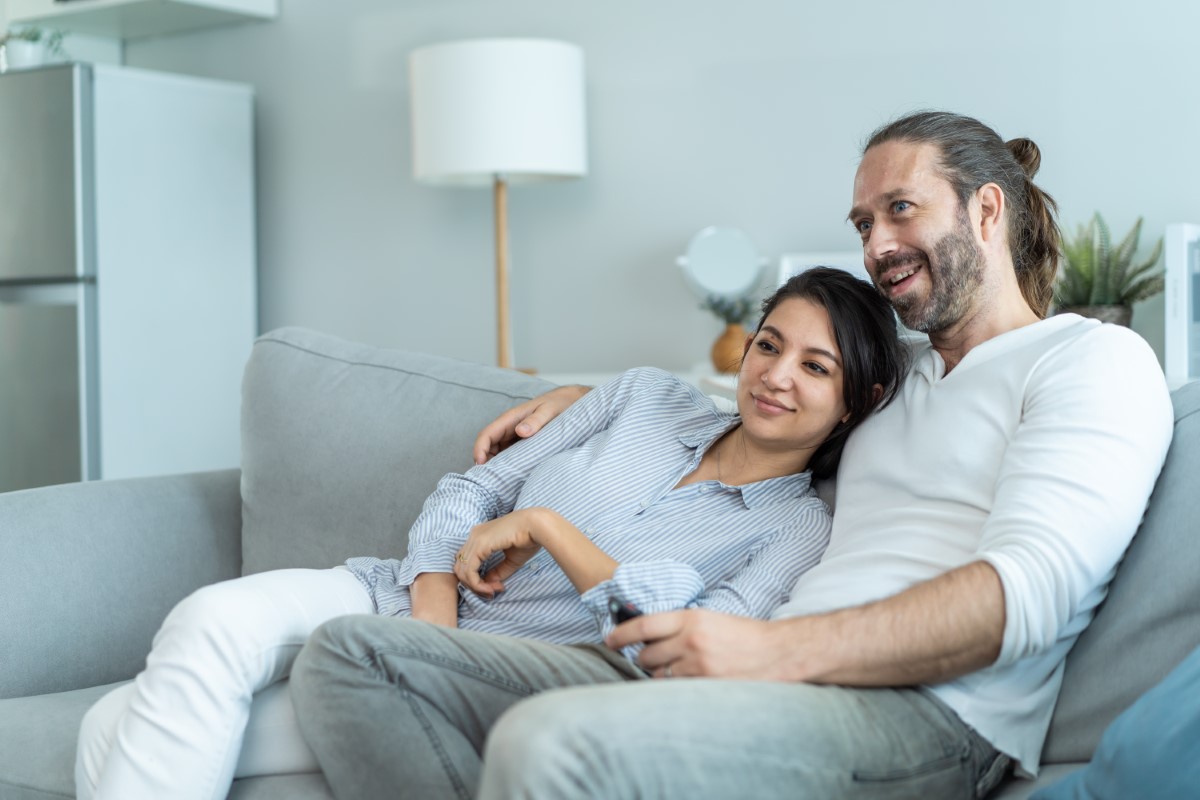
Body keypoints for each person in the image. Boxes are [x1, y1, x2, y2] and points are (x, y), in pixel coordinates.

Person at [289, 110, 1175, 800]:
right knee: (354, 655)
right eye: (863, 222)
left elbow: (1025, 595)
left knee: (551, 739)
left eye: (900, 210)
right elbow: (770, 401)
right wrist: (588, 400)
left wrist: (768, 653)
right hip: (745, 674)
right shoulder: (900, 380)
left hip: (926, 717)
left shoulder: (1092, 361)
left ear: (988, 208)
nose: (875, 246)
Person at [74, 267, 907, 800]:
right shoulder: (644, 398)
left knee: (117, 722)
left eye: (815, 367)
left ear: (858, 400)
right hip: (397, 595)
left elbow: (672, 647)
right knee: (200, 628)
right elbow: (475, 486)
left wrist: (549, 527)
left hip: (507, 677)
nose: (774, 376)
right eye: (770, 345)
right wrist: (432, 599)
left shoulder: (799, 530)